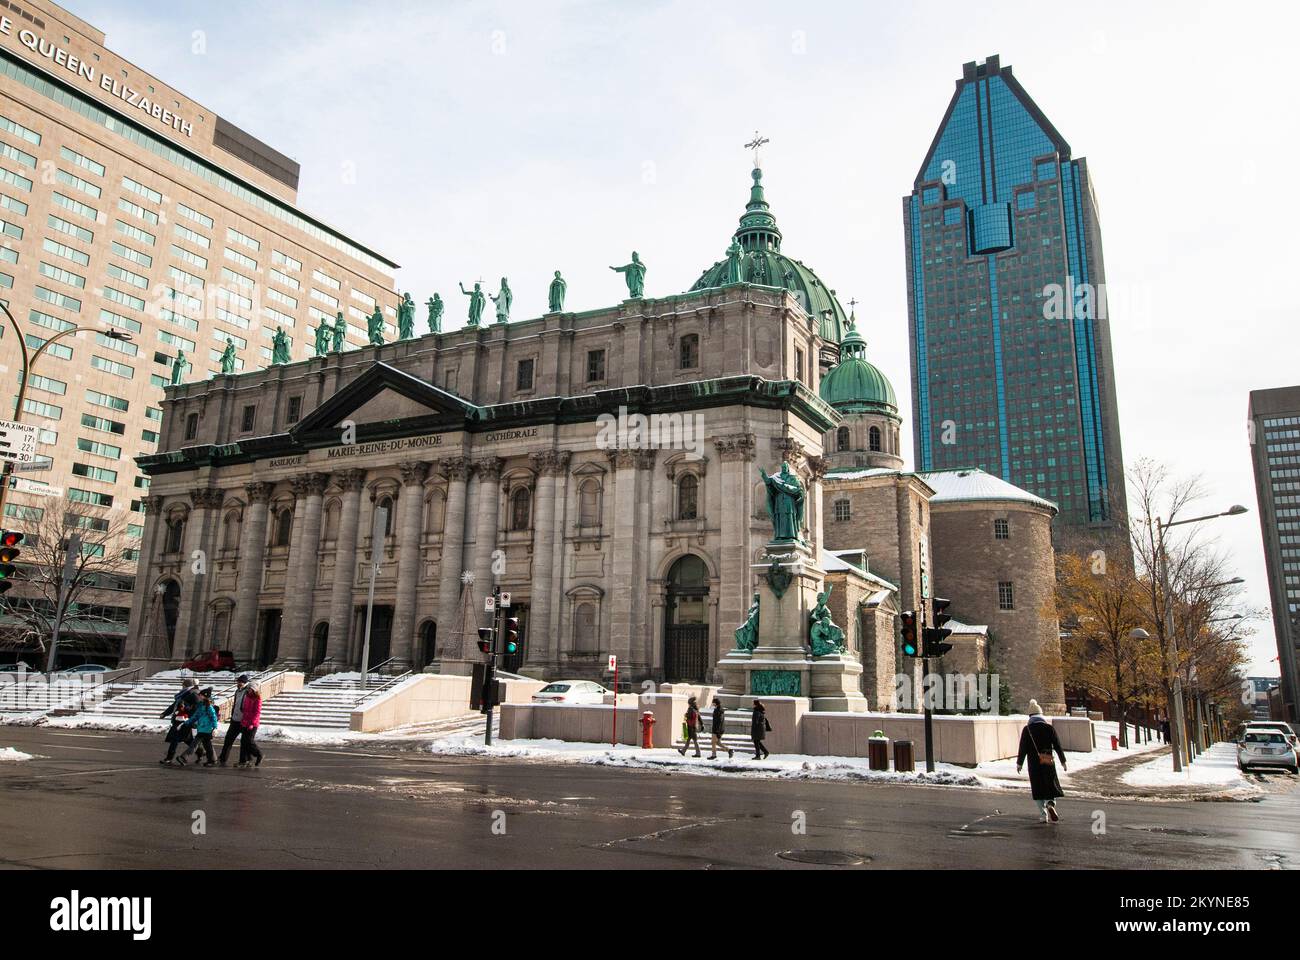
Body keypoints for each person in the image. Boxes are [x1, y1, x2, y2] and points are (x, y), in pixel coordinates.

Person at [1016, 699, 1067, 822]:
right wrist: (1063, 761)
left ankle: (1043, 814)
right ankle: (1050, 804)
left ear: (1030, 716)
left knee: (1037, 787)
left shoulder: (1027, 730)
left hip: (1033, 762)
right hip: (1048, 760)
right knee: (1050, 784)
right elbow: (1057, 745)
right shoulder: (1049, 728)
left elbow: (1022, 748)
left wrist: (1019, 763)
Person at [160, 678, 199, 765]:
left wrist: (187, 710)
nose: (182, 687)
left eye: (183, 685)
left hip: (186, 720)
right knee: (186, 739)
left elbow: (196, 708)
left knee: (176, 738)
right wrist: (165, 713)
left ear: (187, 686)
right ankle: (200, 752)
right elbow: (174, 705)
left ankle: (169, 758)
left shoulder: (193, 694)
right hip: (179, 719)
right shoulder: (183, 694)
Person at [176, 688, 218, 767]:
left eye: (201, 695)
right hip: (201, 728)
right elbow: (195, 716)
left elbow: (214, 718)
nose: (199, 696)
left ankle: (184, 757)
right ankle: (212, 760)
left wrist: (215, 728)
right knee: (207, 745)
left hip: (207, 729)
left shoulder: (209, 707)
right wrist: (185, 723)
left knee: (195, 744)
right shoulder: (201, 705)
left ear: (205, 696)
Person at [218, 674, 251, 767]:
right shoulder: (237, 691)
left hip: (243, 720)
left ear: (245, 683)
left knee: (245, 742)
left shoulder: (247, 692)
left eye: (241, 682)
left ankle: (248, 758)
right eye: (238, 681)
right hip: (235, 719)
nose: (239, 683)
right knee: (228, 739)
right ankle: (223, 757)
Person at [236, 683, 264, 768]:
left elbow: (257, 713)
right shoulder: (247, 697)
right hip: (245, 722)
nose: (248, 690)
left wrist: (251, 723)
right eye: (248, 689)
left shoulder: (258, 699)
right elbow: (245, 709)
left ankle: (259, 754)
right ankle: (243, 761)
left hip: (253, 724)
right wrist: (244, 720)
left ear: (254, 690)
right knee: (243, 742)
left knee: (249, 741)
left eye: (250, 689)